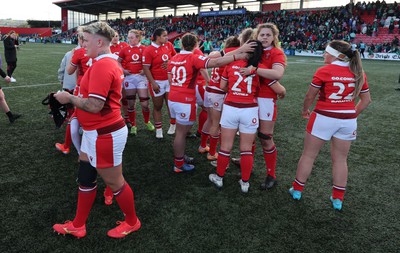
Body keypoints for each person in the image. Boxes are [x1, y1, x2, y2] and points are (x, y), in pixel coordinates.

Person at [53, 21, 140, 238]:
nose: (81, 44)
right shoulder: (102, 62)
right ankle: (78, 224)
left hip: (105, 133)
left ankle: (132, 221)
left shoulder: (103, 65)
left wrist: (69, 98)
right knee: (85, 175)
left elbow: (95, 105)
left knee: (115, 182)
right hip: (95, 132)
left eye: (85, 40)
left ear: (99, 42)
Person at [288, 40, 371, 211]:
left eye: (327, 52)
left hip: (323, 117)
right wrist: (349, 115)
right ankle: (338, 199)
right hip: (347, 121)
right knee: (340, 160)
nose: (323, 55)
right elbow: (366, 100)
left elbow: (310, 96)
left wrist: (305, 110)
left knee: (309, 156)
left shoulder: (324, 70)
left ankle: (297, 190)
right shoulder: (358, 72)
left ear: (338, 56)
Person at [168, 33, 252, 173]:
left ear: (181, 44)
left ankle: (180, 157)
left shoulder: (173, 58)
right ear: (196, 45)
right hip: (185, 100)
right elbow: (217, 62)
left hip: (173, 97)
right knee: (181, 133)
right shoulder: (194, 57)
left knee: (180, 131)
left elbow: (170, 79)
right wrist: (238, 55)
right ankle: (178, 163)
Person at [208, 40, 263, 193]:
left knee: (225, 147)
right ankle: (245, 183)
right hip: (250, 109)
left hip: (231, 107)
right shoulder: (259, 67)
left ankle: (219, 178)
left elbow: (222, 87)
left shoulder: (231, 64)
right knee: (246, 149)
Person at [240, 23, 287, 190]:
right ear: (256, 37)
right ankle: (247, 164)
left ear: (274, 37)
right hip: (249, 97)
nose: (265, 37)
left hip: (266, 99)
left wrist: (255, 69)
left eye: (268, 35)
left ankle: (271, 175)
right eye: (262, 35)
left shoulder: (276, 53)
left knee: (265, 137)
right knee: (249, 134)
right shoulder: (253, 51)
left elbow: (277, 74)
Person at [118, 29, 155, 136]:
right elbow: (118, 62)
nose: (129, 39)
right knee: (131, 104)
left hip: (141, 78)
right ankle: (133, 125)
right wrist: (123, 70)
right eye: (128, 37)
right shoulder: (124, 50)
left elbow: (151, 61)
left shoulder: (145, 49)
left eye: (132, 37)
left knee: (145, 104)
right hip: (129, 79)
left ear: (138, 38)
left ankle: (147, 121)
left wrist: (145, 70)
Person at [142, 28, 177, 139]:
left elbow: (176, 57)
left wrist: (170, 63)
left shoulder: (169, 46)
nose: (167, 38)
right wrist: (153, 83)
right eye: (164, 36)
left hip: (169, 80)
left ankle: (173, 124)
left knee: (170, 105)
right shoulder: (148, 50)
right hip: (157, 82)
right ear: (157, 37)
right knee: (158, 106)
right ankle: (159, 129)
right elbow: (146, 68)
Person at [54, 46, 78, 155]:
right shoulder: (95, 54)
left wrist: (62, 80)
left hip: (72, 87)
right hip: (82, 89)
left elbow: (63, 69)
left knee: (73, 115)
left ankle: (68, 146)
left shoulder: (71, 53)